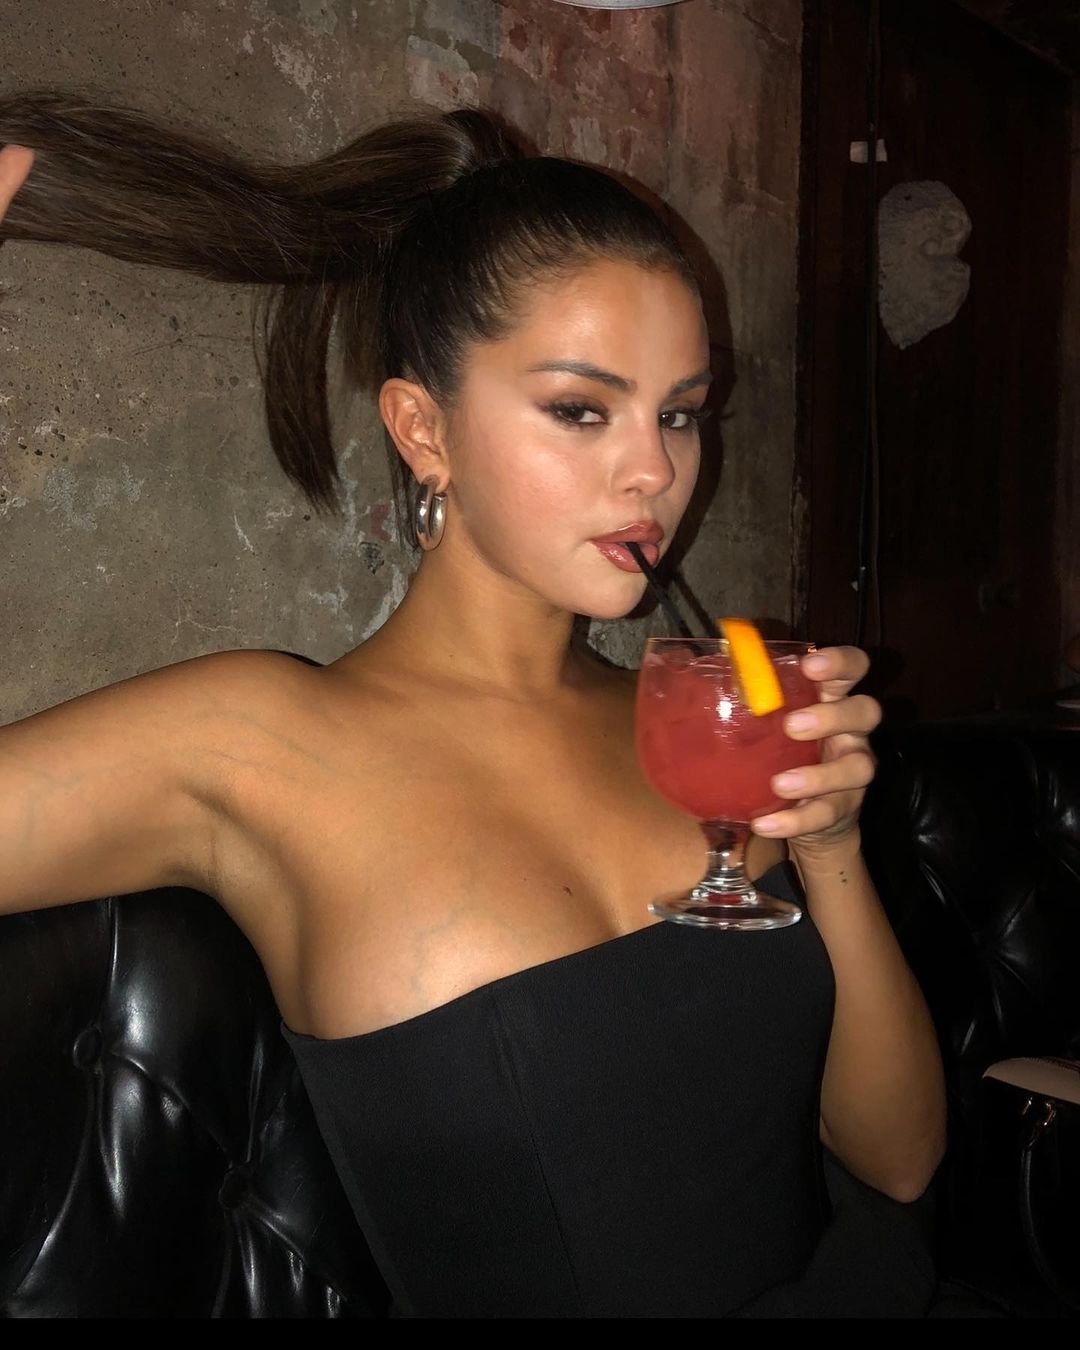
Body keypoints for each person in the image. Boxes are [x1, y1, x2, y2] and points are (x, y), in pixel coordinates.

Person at [0, 93, 948, 1319]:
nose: (657, 469)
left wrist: (830, 846)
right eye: (582, 409)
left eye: (680, 412)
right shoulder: (261, 743)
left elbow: (897, 1161)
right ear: (423, 429)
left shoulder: (697, 731)